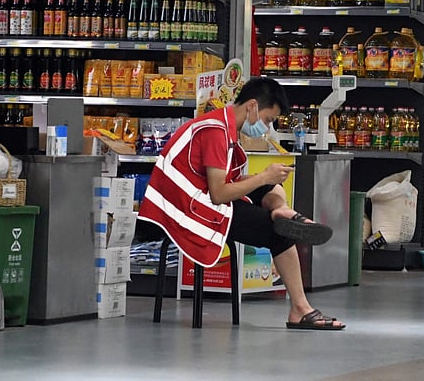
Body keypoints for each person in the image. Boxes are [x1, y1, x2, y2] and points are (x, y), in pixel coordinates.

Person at [139, 77, 345, 330]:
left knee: (268, 185)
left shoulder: (222, 125)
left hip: (200, 196)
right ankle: (300, 309)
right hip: (188, 208)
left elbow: (229, 180)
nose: (267, 128)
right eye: (268, 120)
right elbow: (219, 194)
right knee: (277, 234)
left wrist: (266, 180)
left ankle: (282, 211)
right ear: (252, 107)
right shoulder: (215, 131)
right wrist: (263, 177)